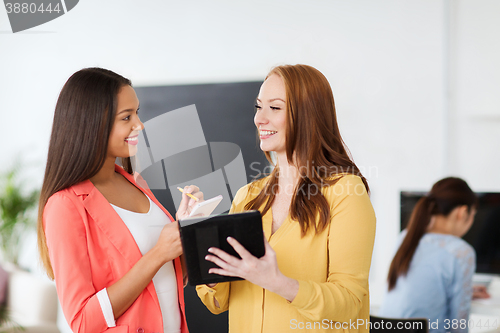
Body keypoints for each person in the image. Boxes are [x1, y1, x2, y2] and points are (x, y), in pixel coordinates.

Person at [196, 64, 376, 333]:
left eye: (275, 108)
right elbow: (218, 300)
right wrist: (200, 239)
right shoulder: (248, 196)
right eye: (259, 107)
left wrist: (278, 282)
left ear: (308, 116)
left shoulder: (346, 192)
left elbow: (349, 303)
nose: (259, 119)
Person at [37, 68, 203, 333]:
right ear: (91, 124)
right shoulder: (65, 206)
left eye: (137, 112)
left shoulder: (134, 182)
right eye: (127, 117)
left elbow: (166, 281)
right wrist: (159, 253)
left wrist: (183, 231)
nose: (139, 125)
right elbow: (82, 322)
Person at [378, 177, 478, 333]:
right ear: (463, 212)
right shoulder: (462, 251)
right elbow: (459, 327)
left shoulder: (405, 237)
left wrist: (465, 291)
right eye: (473, 216)